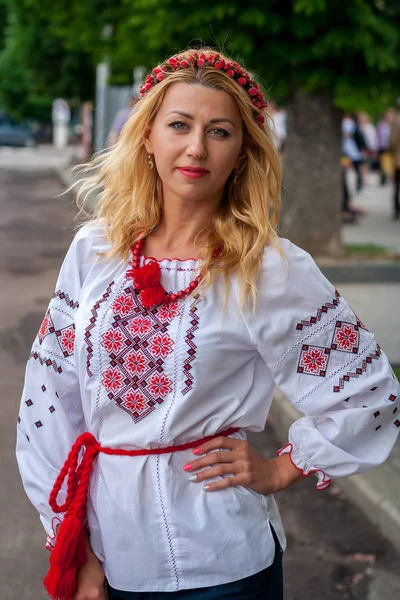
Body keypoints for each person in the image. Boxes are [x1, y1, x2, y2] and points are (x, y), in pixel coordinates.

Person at [16, 47, 400, 600]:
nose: (196, 147)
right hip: (111, 552)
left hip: (224, 565)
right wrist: (72, 546)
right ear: (147, 136)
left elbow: (368, 395)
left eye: (220, 131)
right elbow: (49, 401)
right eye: (179, 125)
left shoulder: (269, 269)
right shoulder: (95, 252)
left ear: (242, 152)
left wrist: (281, 468)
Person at [377, 108, 395, 185]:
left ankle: (391, 178)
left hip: (392, 147)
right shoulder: (381, 125)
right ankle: (383, 178)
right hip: (383, 146)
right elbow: (378, 136)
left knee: (392, 163)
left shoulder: (395, 124)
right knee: (383, 163)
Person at [389, 99, 400, 220]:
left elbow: (392, 140)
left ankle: (397, 209)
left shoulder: (397, 120)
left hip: (398, 157)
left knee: (397, 184)